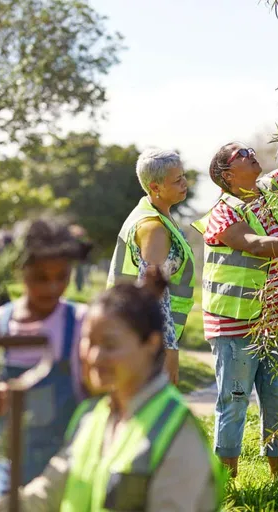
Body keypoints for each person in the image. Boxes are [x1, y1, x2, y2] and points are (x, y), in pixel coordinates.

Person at [0, 267, 226, 512]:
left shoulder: (175, 435)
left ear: (151, 343)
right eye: (88, 341)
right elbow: (44, 497)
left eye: (109, 344)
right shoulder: (92, 418)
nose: (94, 357)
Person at [192, 74, 278, 478]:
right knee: (234, 402)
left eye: (251, 150)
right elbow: (253, 244)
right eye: (242, 154)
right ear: (226, 173)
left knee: (277, 402)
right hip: (237, 327)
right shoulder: (223, 212)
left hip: (277, 321)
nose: (252, 155)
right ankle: (229, 485)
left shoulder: (269, 190)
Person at [0, 217, 91, 497]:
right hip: (11, 470)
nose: (52, 287)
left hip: (68, 471)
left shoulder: (82, 324)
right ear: (18, 269)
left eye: (62, 276)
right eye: (40, 278)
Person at [107, 149, 195, 385]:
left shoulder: (156, 216)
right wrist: (169, 348)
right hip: (141, 338)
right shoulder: (153, 227)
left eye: (183, 176)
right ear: (155, 188)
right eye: (177, 180)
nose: (184, 183)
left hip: (135, 331)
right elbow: (154, 292)